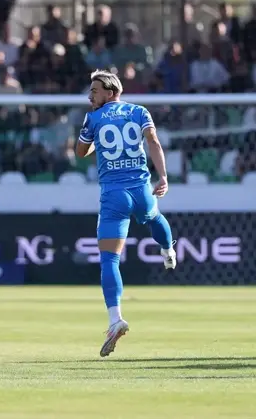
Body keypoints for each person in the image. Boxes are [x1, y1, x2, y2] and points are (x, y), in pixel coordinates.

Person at [76, 70, 177, 358]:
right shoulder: (139, 111)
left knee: (109, 259)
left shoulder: (93, 119)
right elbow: (154, 143)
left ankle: (115, 319)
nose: (90, 95)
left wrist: (97, 140)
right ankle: (168, 249)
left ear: (110, 92)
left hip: (114, 196)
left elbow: (80, 152)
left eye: (94, 91)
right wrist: (164, 177)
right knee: (155, 217)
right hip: (142, 190)